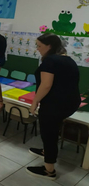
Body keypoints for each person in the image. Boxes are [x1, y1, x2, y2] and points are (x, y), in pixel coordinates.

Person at [26, 33, 80, 180]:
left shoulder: (50, 61)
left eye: (39, 46)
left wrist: (34, 101)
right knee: (53, 128)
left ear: (49, 46)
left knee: (48, 133)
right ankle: (46, 151)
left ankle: (49, 170)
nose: (37, 49)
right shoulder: (68, 59)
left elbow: (46, 85)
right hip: (70, 102)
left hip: (55, 104)